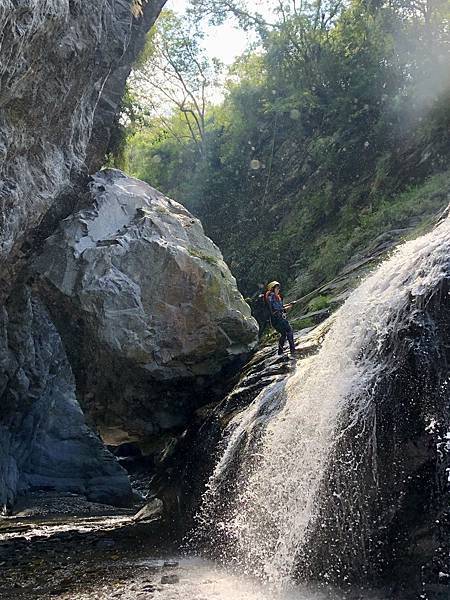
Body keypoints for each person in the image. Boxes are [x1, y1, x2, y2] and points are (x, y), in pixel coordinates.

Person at [265, 281, 296, 356]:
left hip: (275, 320)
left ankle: (280, 352)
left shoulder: (274, 297)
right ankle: (292, 350)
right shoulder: (272, 296)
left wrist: (289, 305)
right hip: (278, 319)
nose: (278, 290)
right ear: (272, 289)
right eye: (277, 288)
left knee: (283, 334)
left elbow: (280, 308)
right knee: (289, 330)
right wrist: (287, 308)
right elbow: (278, 308)